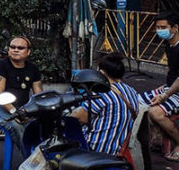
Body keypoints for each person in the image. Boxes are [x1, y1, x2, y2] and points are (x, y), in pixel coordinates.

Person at [69, 52, 139, 155]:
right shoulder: (131, 91)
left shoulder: (101, 93)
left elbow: (78, 119)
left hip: (95, 149)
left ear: (101, 73)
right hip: (117, 150)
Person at [0, 35, 44, 151]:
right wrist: (15, 112)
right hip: (2, 108)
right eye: (12, 47)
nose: (15, 50)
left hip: (24, 108)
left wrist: (36, 112)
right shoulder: (1, 66)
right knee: (17, 126)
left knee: (45, 123)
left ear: (28, 52)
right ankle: (30, 161)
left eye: (20, 48)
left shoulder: (33, 69)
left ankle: (45, 157)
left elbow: (38, 95)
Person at [139, 11, 179, 161]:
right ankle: (155, 135)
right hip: (170, 87)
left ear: (175, 28)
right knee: (136, 100)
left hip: (175, 92)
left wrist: (164, 95)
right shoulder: (169, 44)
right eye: (157, 27)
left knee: (155, 112)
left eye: (163, 27)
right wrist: (165, 88)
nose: (159, 31)